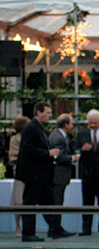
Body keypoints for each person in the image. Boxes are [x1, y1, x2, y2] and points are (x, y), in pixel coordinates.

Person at [16, 102, 74, 241]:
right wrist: (48, 153)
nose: (50, 115)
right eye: (47, 112)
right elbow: (28, 149)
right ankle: (29, 233)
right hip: (34, 174)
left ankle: (55, 229)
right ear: (39, 112)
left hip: (40, 175)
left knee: (47, 202)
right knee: (31, 203)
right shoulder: (31, 128)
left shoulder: (38, 128)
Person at [74, 109, 99, 236]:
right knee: (87, 202)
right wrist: (81, 149)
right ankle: (86, 228)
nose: (93, 125)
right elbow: (75, 149)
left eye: (95, 123)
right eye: (90, 123)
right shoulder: (81, 134)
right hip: (88, 174)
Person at [49, 114, 78, 206]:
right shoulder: (58, 137)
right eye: (71, 123)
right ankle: (55, 220)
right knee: (57, 202)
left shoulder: (58, 135)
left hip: (58, 176)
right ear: (66, 124)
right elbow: (59, 156)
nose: (72, 126)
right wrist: (73, 158)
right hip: (58, 176)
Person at [8, 116, 29, 237]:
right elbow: (12, 156)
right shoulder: (15, 139)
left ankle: (27, 227)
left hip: (30, 172)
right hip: (20, 172)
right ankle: (18, 227)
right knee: (18, 200)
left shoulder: (30, 138)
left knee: (28, 201)